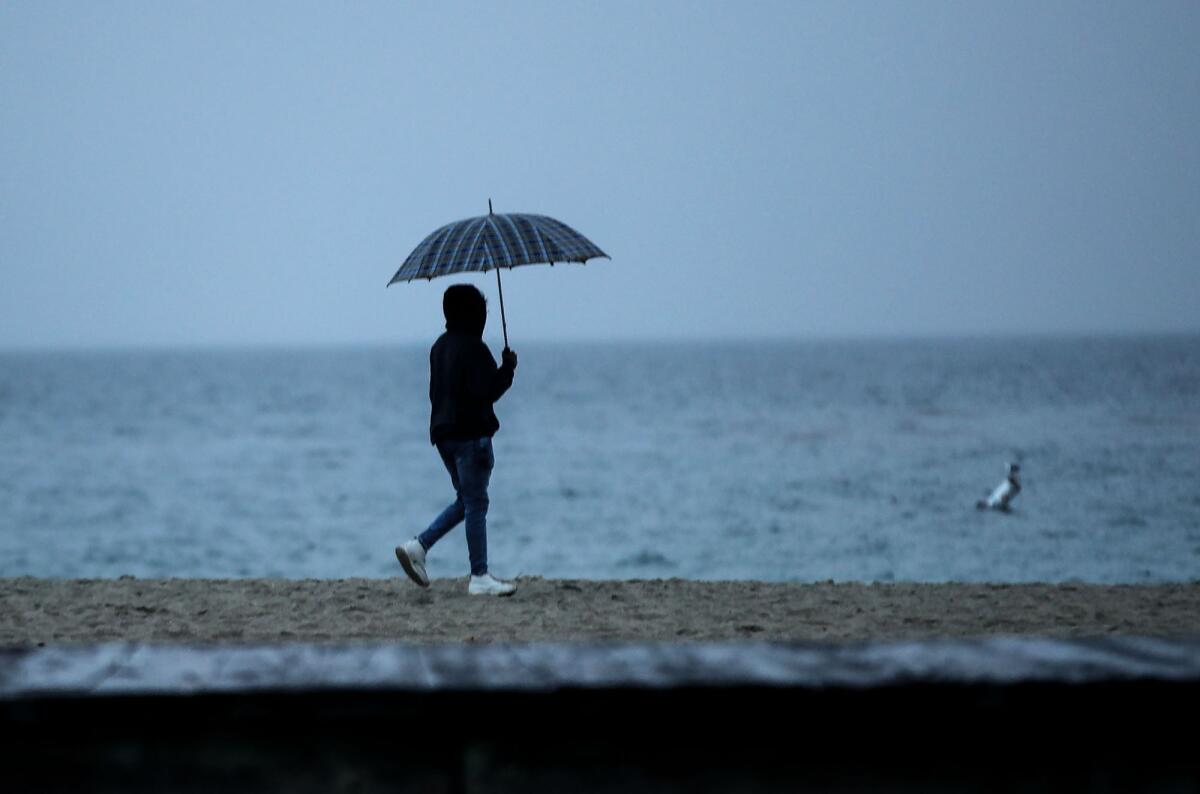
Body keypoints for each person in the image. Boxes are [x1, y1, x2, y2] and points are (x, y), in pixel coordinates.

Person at [395, 284, 519, 596]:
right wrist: (507, 371)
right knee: (476, 502)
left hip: (444, 436)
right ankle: (479, 575)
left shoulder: (439, 347)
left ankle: (419, 546)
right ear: (473, 314)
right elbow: (486, 391)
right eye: (483, 312)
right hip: (471, 436)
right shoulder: (474, 348)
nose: (485, 319)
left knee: (468, 499)